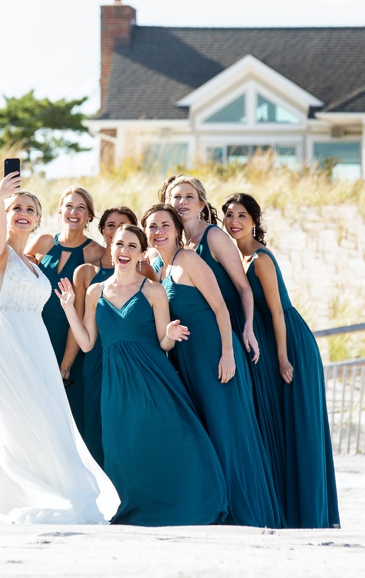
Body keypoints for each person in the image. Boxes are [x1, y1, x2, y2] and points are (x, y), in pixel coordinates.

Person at [58, 224, 228, 526]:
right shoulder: (96, 291)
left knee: (172, 437)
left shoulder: (152, 289)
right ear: (112, 247)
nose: (124, 251)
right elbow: (86, 343)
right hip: (115, 381)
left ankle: (189, 499)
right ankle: (134, 508)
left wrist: (171, 333)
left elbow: (163, 343)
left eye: (132, 246)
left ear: (140, 253)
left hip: (152, 375)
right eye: (120, 245)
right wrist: (70, 308)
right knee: (123, 445)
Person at [0, 173, 118, 525]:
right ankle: (16, 499)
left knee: (50, 421)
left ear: (39, 219)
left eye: (29, 209)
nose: (22, 213)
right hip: (6, 346)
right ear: (5, 215)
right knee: (19, 425)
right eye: (16, 208)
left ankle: (44, 491)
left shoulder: (32, 261)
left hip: (37, 348)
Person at [143, 204, 280, 528]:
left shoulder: (189, 259)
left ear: (177, 229)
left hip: (214, 354)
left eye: (165, 225)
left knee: (229, 431)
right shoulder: (158, 267)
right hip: (188, 361)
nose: (158, 231)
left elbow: (220, 309)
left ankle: (248, 513)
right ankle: (218, 507)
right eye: (152, 227)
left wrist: (228, 354)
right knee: (208, 434)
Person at [222, 193, 340, 529]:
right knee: (280, 427)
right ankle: (289, 510)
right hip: (271, 344)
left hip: (288, 342)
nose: (234, 222)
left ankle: (312, 515)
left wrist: (283, 358)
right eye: (229, 215)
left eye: (242, 215)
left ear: (254, 221)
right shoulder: (237, 258)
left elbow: (276, 311)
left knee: (299, 426)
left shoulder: (259, 259)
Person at [25, 187, 106, 440]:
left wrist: (66, 364)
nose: (74, 212)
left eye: (81, 207)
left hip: (71, 337)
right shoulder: (43, 242)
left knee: (70, 412)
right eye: (69, 206)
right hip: (37, 334)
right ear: (60, 210)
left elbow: (82, 314)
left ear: (89, 216)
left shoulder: (96, 252)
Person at [162, 175, 259, 362]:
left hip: (234, 327)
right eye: (177, 197)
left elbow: (244, 287)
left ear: (201, 204)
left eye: (189, 196)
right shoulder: (176, 245)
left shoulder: (214, 237)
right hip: (201, 335)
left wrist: (248, 327)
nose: (182, 202)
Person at [70, 205, 139, 466]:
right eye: (111, 225)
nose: (117, 231)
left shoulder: (145, 273)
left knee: (129, 419)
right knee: (96, 419)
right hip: (97, 356)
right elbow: (79, 323)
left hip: (134, 359)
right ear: (103, 231)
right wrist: (66, 365)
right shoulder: (88, 273)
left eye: (124, 225)